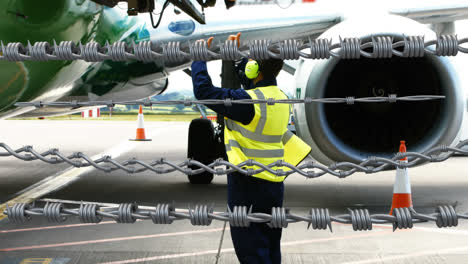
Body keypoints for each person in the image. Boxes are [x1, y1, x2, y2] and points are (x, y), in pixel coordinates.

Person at [191, 33, 311, 264]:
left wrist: (199, 58)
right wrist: (236, 58)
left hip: (248, 183)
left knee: (251, 251)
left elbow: (204, 92)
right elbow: (249, 86)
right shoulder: (279, 98)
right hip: (274, 183)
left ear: (254, 68)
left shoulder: (248, 103)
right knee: (269, 246)